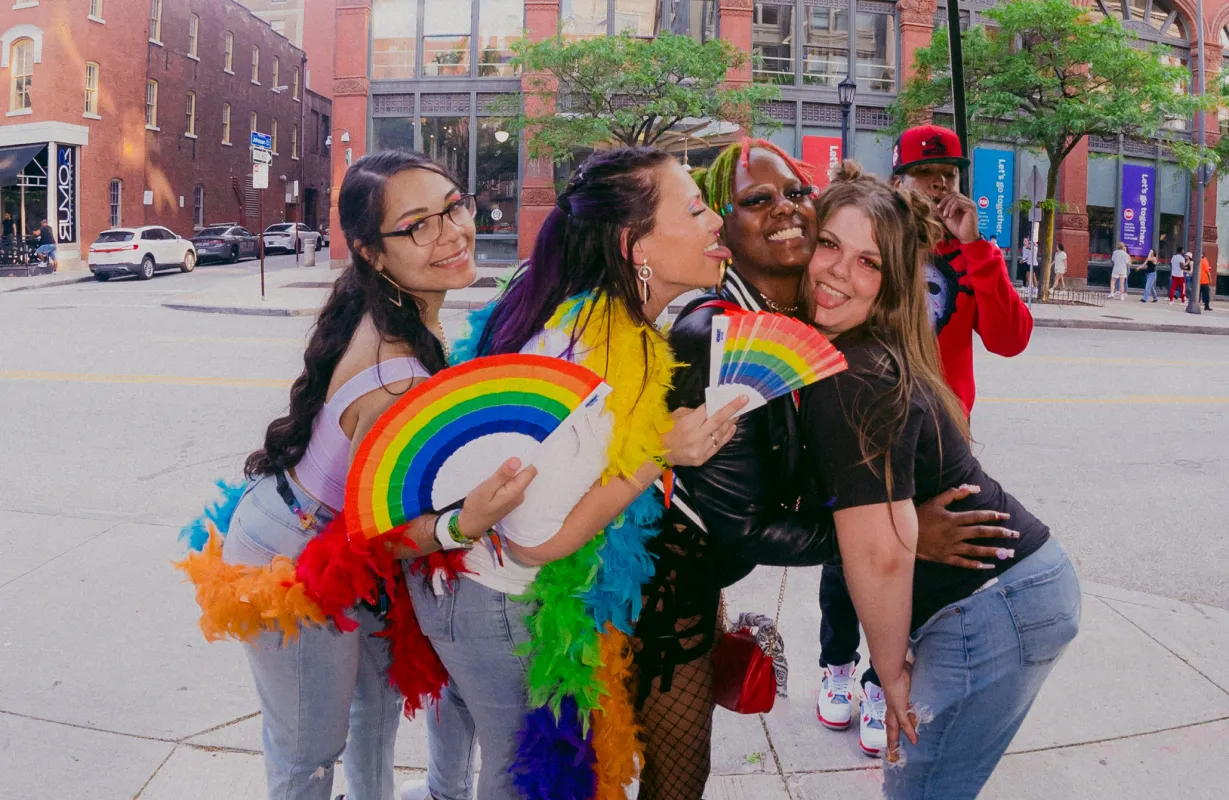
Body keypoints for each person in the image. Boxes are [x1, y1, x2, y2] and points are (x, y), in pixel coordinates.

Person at [634, 138, 1020, 794]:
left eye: (794, 193)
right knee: (674, 779)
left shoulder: (802, 320)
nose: (784, 209)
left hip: (702, 582)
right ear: (722, 230)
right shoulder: (719, 334)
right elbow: (741, 524)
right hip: (659, 596)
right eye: (757, 200)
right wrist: (904, 532)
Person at [180, 151, 539, 800]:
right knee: (309, 751)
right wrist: (465, 523)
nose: (453, 230)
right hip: (289, 560)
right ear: (373, 253)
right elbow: (384, 536)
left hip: (336, 541)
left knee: (373, 715)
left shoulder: (399, 311)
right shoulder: (393, 371)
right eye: (418, 225)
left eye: (453, 205)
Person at [399, 147, 744, 800]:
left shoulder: (612, 323)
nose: (715, 222)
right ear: (632, 244)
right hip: (497, 603)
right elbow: (537, 537)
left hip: (488, 593)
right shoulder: (596, 349)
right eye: (694, 209)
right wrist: (660, 454)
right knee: (519, 785)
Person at [800, 162, 1081, 798]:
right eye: (829, 244)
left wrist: (891, 675)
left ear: (894, 283)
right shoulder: (847, 350)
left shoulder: (858, 376)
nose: (837, 271)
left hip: (995, 604)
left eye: (869, 262)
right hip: (1009, 593)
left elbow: (879, 552)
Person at [816, 124, 1034, 757]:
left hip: (940, 440)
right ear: (899, 179)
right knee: (848, 551)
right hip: (867, 422)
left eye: (949, 176)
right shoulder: (879, 247)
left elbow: (1010, 338)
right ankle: (837, 662)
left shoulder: (968, 255)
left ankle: (882, 680)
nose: (940, 187)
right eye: (927, 175)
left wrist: (979, 249)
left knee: (919, 558)